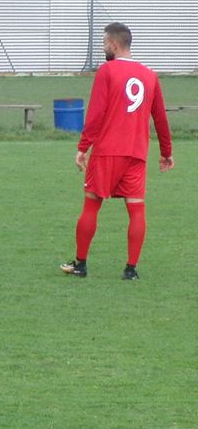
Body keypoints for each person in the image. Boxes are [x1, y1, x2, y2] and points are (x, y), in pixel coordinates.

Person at [62, 22, 175, 281]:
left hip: (106, 151)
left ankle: (81, 264)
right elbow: (160, 118)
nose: (104, 47)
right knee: (136, 210)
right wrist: (166, 152)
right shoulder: (150, 75)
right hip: (136, 154)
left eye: (104, 43)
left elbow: (96, 113)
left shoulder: (107, 71)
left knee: (91, 206)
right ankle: (130, 269)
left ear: (113, 44)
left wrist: (83, 147)